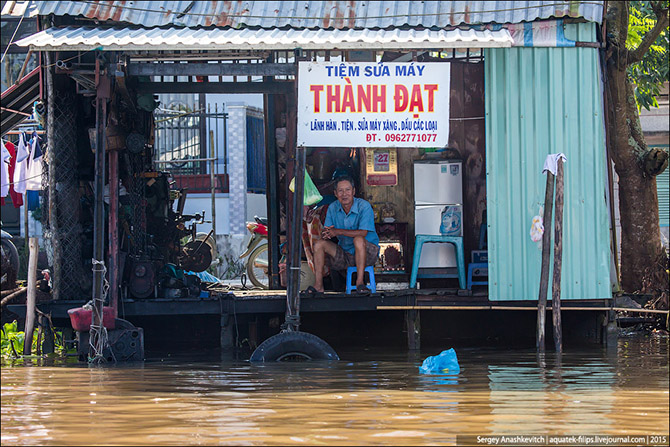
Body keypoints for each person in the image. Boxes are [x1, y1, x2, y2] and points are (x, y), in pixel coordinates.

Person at [308, 176, 379, 294]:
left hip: (367, 253)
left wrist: (337, 231)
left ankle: (360, 283)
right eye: (340, 191)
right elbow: (328, 230)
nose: (344, 194)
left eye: (347, 190)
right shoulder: (332, 208)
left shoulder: (364, 206)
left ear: (353, 192)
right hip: (345, 254)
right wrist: (327, 234)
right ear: (335, 193)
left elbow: (363, 232)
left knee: (358, 239)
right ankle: (319, 285)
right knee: (319, 244)